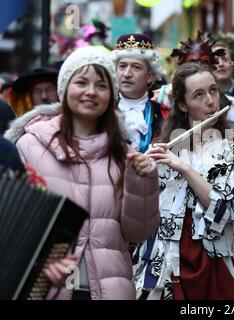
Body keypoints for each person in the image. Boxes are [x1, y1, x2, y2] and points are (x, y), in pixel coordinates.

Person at [5, 46, 160, 300]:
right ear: (64, 89)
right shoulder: (29, 145)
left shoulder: (124, 154)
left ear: (111, 95)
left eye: (101, 85)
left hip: (110, 289)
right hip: (45, 289)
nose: (91, 92)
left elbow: (138, 233)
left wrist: (142, 180)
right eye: (81, 82)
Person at [133, 62, 234, 300]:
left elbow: (224, 209)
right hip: (172, 266)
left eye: (213, 90)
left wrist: (184, 168)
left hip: (219, 267)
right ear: (183, 105)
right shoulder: (166, 150)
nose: (211, 101)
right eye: (199, 94)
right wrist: (142, 173)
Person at [110, 34, 165, 152]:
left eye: (136, 67)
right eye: (122, 66)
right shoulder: (104, 110)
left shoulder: (163, 113)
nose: (127, 74)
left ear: (149, 76)